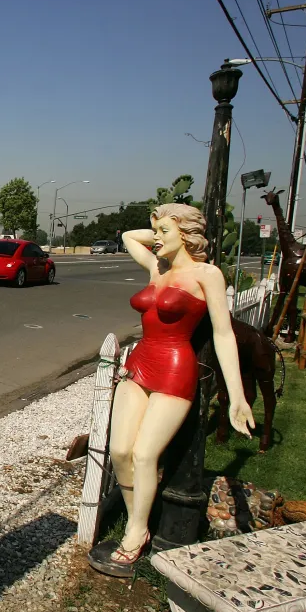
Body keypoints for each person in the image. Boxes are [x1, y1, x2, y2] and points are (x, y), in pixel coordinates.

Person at [105, 204, 254, 567]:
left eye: (164, 233)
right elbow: (128, 237)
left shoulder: (207, 274)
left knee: (144, 455)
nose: (155, 239)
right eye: (154, 233)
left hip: (175, 367)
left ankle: (136, 530)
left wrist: (236, 396)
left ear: (186, 235)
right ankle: (140, 519)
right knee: (120, 452)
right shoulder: (158, 267)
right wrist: (160, 226)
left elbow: (223, 334)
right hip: (140, 362)